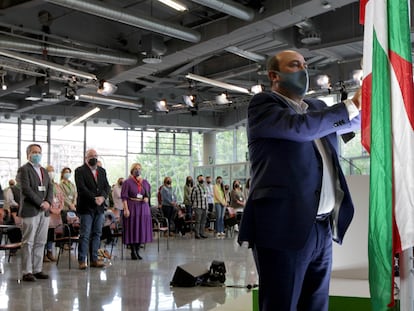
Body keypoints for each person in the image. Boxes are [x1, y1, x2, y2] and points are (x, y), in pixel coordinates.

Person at [238, 50, 361, 311]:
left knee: (316, 304)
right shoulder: (264, 106)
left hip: (321, 228)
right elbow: (300, 128)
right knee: (281, 304)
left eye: (305, 65)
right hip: (283, 227)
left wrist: (375, 99)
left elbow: (352, 121)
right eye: (295, 66)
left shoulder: (316, 109)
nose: (303, 71)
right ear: (274, 75)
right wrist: (351, 105)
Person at [17, 143, 53, 282]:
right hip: (30, 210)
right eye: (34, 152)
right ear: (28, 154)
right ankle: (27, 271)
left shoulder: (44, 170)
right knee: (28, 242)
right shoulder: (23, 170)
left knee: (41, 241)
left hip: (44, 212)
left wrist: (48, 202)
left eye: (39, 152)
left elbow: (50, 188)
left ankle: (37, 269)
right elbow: (26, 189)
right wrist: (40, 203)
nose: (37, 154)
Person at [75, 149, 111, 270]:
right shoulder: (80, 171)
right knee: (85, 234)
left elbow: (107, 186)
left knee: (97, 233)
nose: (94, 158)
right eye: (91, 156)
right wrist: (94, 198)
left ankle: (94, 259)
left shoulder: (102, 171)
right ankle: (82, 260)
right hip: (86, 207)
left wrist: (103, 197)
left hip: (99, 208)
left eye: (95, 155)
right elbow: (81, 188)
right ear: (86, 157)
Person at [121, 163, 153, 260]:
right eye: (135, 169)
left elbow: (148, 193)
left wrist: (147, 198)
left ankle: (138, 250)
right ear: (132, 170)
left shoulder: (145, 182)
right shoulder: (127, 182)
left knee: (141, 229)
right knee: (133, 229)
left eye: (139, 169)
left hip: (143, 208)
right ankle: (133, 251)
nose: (137, 170)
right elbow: (124, 197)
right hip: (132, 207)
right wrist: (126, 209)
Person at [44, 165, 64, 262]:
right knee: (45, 233)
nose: (51, 173)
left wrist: (60, 208)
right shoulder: (44, 184)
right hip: (47, 212)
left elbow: (61, 198)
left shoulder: (56, 185)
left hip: (56, 212)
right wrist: (51, 209)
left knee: (52, 234)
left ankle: (49, 251)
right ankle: (43, 253)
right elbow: (45, 198)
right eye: (49, 171)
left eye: (52, 171)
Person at [191, 175, 208, 239]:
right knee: (198, 221)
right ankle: (197, 234)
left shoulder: (205, 187)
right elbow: (192, 197)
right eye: (200, 179)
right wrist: (194, 205)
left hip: (204, 206)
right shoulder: (195, 187)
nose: (202, 179)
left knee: (203, 221)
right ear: (198, 180)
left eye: (202, 178)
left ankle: (202, 233)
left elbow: (206, 197)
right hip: (198, 206)